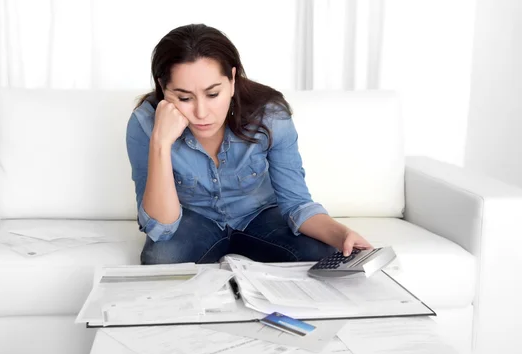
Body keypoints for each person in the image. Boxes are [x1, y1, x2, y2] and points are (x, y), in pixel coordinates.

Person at [126, 24, 372, 265]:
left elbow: (297, 204)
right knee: (160, 258)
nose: (201, 112)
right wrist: (160, 142)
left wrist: (341, 234)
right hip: (195, 221)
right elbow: (162, 227)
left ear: (232, 80)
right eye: (184, 98)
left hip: (260, 217)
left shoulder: (270, 115)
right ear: (163, 87)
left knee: (324, 250)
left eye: (213, 94)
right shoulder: (145, 124)